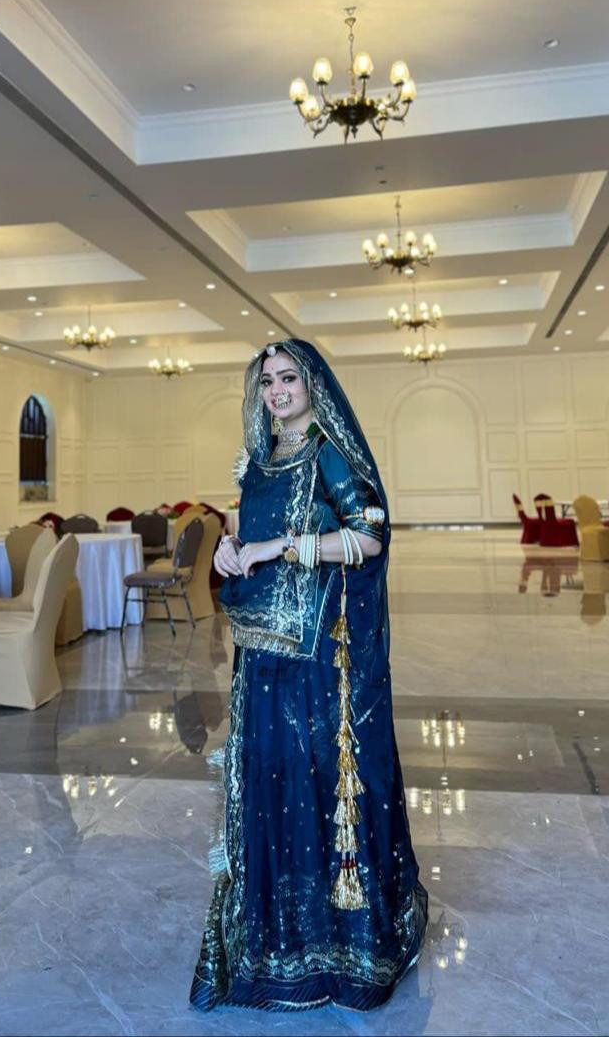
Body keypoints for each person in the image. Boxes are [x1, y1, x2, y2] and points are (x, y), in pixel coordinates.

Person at [189, 339, 427, 1012]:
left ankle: (340, 946)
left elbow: (370, 535)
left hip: (321, 654)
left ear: (313, 385)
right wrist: (233, 550)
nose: (277, 392)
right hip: (262, 649)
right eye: (267, 381)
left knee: (319, 774)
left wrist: (282, 547)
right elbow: (248, 534)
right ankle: (275, 940)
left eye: (288, 378)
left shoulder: (329, 452)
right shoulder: (258, 459)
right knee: (271, 776)